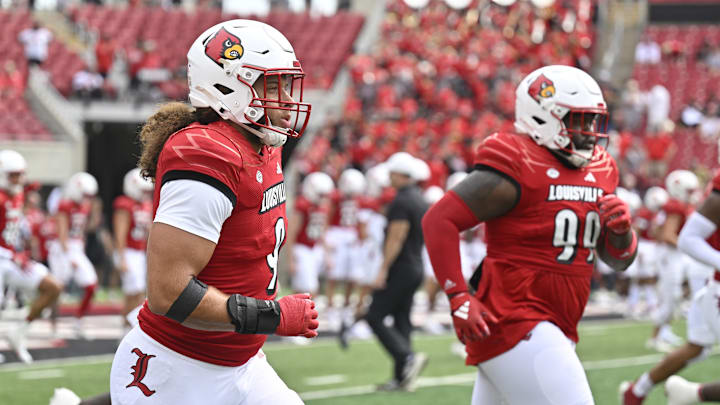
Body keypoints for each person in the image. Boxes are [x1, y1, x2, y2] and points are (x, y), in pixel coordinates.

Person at [109, 19, 317, 405]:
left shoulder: (262, 144)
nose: (287, 101)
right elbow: (168, 293)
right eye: (273, 86)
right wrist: (271, 315)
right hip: (177, 371)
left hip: (242, 363)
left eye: (288, 84)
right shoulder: (208, 152)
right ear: (231, 85)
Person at [422, 65, 637, 405]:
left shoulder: (602, 168)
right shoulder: (518, 160)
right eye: (579, 121)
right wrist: (458, 296)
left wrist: (622, 232)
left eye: (594, 121)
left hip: (557, 320)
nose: (590, 133)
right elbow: (438, 221)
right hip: (514, 317)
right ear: (543, 117)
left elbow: (617, 260)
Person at [620, 168, 720, 404]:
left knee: (697, 346)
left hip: (704, 279)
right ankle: (657, 336)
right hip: (704, 275)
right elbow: (680, 237)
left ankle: (639, 390)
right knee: (670, 300)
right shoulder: (675, 206)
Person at [366, 152, 430, 392]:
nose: (389, 178)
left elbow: (396, 237)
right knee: (402, 321)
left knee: (374, 315)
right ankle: (402, 377)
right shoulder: (419, 199)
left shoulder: (402, 201)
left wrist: (382, 270)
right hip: (415, 265)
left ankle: (407, 357)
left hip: (401, 267)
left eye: (392, 173)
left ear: (400, 174)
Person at [0, 150, 62, 364]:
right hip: (3, 258)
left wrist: (19, 253)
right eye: (13, 175)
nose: (18, 180)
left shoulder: (17, 195)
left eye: (20, 174)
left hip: (12, 258)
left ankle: (19, 332)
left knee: (53, 287)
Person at [49, 171, 99, 338]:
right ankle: (53, 328)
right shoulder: (65, 204)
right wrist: (69, 256)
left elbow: (82, 231)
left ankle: (78, 321)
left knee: (91, 285)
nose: (87, 199)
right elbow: (62, 232)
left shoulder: (85, 206)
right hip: (61, 248)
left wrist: (80, 249)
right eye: (85, 195)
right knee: (57, 289)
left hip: (76, 247)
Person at [113, 168, 153, 335]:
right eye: (142, 190)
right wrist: (121, 257)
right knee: (133, 292)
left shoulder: (145, 205)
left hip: (139, 253)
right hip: (128, 251)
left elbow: (149, 231)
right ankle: (125, 328)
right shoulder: (125, 204)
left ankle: (131, 327)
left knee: (139, 293)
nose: (145, 194)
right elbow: (120, 233)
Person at [286, 171, 334, 296]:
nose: (324, 199)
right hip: (302, 248)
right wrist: (291, 260)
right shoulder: (303, 205)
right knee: (309, 290)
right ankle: (300, 314)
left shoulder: (322, 206)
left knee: (303, 290)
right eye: (321, 195)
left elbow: (321, 230)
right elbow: (291, 233)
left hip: (315, 248)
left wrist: (327, 253)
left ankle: (298, 314)